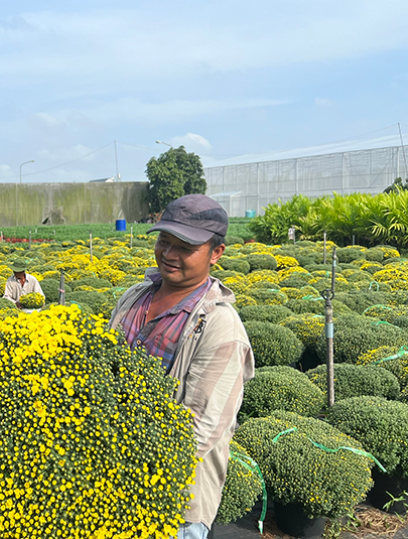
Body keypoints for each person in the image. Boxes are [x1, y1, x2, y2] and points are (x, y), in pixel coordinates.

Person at [109, 194, 254, 539]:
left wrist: (110, 459)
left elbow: (197, 432)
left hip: (172, 502)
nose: (169, 254)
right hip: (108, 478)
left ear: (215, 253)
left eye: (185, 247)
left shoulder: (221, 328)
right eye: (164, 240)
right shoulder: (134, 296)